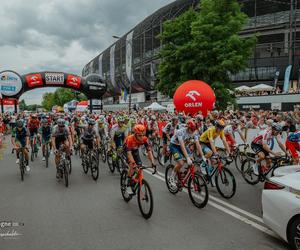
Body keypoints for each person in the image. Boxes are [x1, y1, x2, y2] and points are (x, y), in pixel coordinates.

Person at [168, 120, 204, 187]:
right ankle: (171, 177)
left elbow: (198, 145)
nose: (193, 131)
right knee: (181, 163)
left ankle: (187, 179)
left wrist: (203, 156)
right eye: (191, 130)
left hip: (184, 145)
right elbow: (181, 145)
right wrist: (187, 157)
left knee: (193, 162)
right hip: (174, 145)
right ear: (188, 128)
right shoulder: (181, 131)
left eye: (194, 130)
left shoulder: (194, 132)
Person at [123, 124, 156, 194]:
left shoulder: (144, 139)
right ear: (135, 134)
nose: (141, 137)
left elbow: (149, 151)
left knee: (140, 168)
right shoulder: (130, 139)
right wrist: (133, 164)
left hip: (135, 150)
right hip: (127, 151)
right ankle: (128, 184)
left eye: (142, 135)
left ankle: (134, 182)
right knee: (132, 166)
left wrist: (153, 162)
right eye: (139, 135)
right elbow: (129, 154)